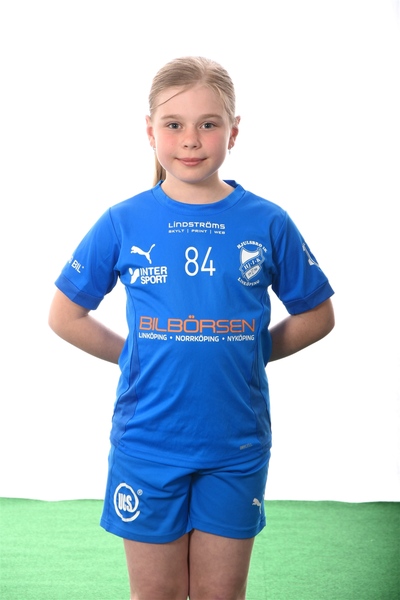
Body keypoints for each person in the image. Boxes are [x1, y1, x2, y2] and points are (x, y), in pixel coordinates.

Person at [48, 56, 335, 600]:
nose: (190, 139)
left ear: (234, 131)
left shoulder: (268, 221)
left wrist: (252, 349)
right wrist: (132, 353)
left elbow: (317, 314)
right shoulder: (123, 221)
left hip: (235, 444)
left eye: (208, 123)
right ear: (149, 131)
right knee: (155, 594)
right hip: (148, 442)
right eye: (174, 124)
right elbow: (65, 315)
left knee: (218, 595)